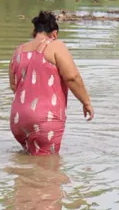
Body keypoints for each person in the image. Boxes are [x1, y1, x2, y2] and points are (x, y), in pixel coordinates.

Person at [9, 11, 94, 155]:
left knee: (28, 161)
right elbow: (72, 77)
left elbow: (14, 85)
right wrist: (86, 102)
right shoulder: (56, 46)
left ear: (34, 31)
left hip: (18, 119)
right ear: (54, 33)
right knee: (48, 166)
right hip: (45, 119)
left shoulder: (19, 51)